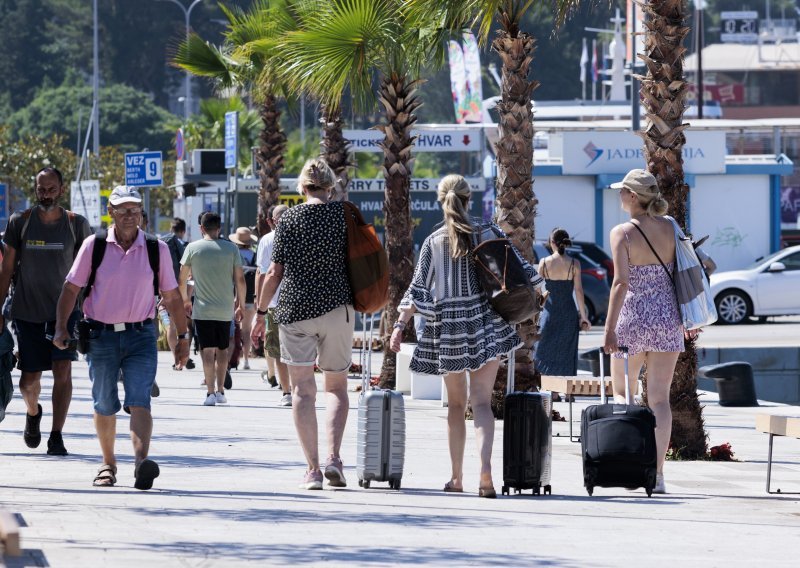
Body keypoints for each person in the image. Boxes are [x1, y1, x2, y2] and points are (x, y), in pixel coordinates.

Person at [389, 174, 545, 498]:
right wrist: (539, 294)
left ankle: (457, 477)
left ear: (440, 200)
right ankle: (485, 473)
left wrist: (398, 325)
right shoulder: (487, 230)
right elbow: (526, 272)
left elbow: (418, 289)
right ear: (469, 199)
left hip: (449, 330)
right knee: (483, 404)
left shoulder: (434, 241)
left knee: (456, 406)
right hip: (487, 324)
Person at [53, 185, 190, 489]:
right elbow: (71, 289)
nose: (129, 216)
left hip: (141, 335)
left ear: (142, 213)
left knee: (140, 399)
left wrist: (182, 336)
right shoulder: (94, 245)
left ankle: (142, 463)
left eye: (135, 210)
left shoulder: (157, 249)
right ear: (111, 213)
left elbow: (171, 297)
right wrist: (62, 326)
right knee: (104, 402)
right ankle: (108, 464)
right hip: (101, 335)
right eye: (122, 210)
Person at [251, 158, 353, 490]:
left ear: (302, 186)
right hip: (337, 307)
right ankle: (334, 458)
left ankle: (312, 471)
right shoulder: (344, 216)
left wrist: (261, 312)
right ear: (331, 185)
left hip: (295, 310)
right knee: (336, 387)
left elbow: (273, 273)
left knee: (302, 390)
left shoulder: (290, 218)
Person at [603, 168, 695, 494]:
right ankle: (656, 474)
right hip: (668, 320)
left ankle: (629, 465)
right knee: (659, 400)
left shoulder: (622, 233)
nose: (619, 196)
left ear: (632, 196)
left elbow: (621, 283)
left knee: (622, 392)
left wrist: (609, 329)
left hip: (633, 320)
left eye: (622, 192)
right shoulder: (671, 227)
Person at [0, 166, 91, 456]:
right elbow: (6, 269)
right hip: (27, 312)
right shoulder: (20, 222)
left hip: (65, 313)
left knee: (63, 369)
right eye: (41, 189)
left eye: (51, 189)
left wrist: (89, 309)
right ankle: (33, 412)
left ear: (61, 190)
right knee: (29, 381)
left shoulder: (76, 224)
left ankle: (56, 435)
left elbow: (88, 272)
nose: (46, 195)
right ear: (35, 189)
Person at [180, 212, 246, 406]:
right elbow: (240, 280)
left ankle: (209, 393)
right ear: (219, 228)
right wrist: (240, 304)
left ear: (201, 228)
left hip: (202, 309)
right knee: (223, 350)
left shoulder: (192, 248)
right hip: (225, 309)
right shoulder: (231, 248)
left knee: (207, 351)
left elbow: (181, 278)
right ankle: (220, 391)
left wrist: (185, 300)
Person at [534, 228, 591, 375]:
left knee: (544, 350)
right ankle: (567, 391)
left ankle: (552, 390)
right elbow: (578, 291)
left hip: (549, 313)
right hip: (569, 314)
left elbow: (538, 291)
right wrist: (583, 317)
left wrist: (535, 314)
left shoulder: (544, 263)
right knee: (567, 351)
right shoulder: (574, 263)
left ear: (552, 243)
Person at [254, 205, 292, 406]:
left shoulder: (267, 240)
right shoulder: (300, 235)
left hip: (274, 303)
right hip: (297, 303)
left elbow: (262, 273)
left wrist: (259, 302)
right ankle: (298, 389)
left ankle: (286, 392)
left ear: (271, 221)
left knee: (277, 350)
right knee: (297, 349)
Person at [160, 218, 194, 369]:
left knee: (170, 327)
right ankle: (183, 355)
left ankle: (176, 359)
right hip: (180, 289)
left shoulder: (162, 243)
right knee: (183, 324)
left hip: (164, 290)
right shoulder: (184, 246)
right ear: (183, 231)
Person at [229, 226, 258, 370]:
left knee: (233, 329)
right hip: (250, 297)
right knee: (246, 329)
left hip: (234, 296)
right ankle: (246, 359)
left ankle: (233, 358)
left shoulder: (233, 254)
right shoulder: (254, 256)